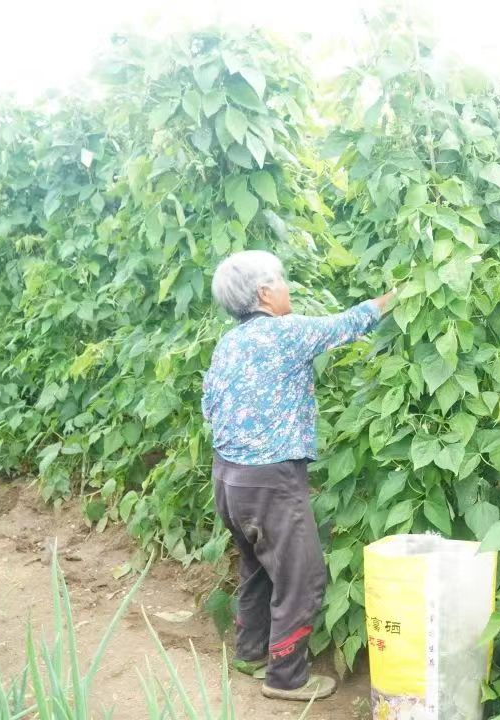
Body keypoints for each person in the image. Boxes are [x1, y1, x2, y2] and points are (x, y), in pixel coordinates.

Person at [201, 250, 394, 702]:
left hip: (228, 480)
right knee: (302, 576)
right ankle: (286, 677)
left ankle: (250, 653)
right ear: (265, 293)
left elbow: (210, 408)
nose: (288, 288)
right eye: (282, 281)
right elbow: (349, 324)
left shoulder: (229, 343)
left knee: (257, 566)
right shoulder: (286, 333)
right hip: (270, 480)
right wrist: (397, 296)